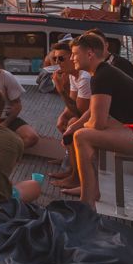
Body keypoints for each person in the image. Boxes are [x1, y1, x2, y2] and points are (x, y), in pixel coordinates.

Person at [63, 34, 133, 210]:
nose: (71, 58)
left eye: (75, 53)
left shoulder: (102, 76)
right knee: (82, 133)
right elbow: (93, 111)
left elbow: (98, 123)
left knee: (83, 137)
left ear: (90, 54)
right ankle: (91, 192)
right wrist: (74, 126)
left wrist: (79, 128)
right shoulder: (102, 72)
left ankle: (87, 202)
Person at [48, 41, 91, 188]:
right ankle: (72, 168)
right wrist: (62, 116)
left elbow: (80, 111)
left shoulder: (84, 78)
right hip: (85, 113)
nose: (57, 63)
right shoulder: (73, 75)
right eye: (55, 59)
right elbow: (72, 104)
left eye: (61, 58)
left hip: (100, 116)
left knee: (73, 123)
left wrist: (60, 89)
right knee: (65, 121)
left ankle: (75, 177)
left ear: (72, 57)